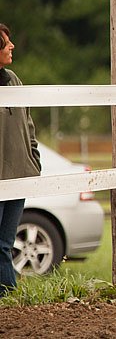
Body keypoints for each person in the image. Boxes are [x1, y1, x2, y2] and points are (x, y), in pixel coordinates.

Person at [0, 23, 41, 295]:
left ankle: (8, 296)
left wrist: (34, 158)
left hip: (19, 176)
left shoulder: (14, 80)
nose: (11, 46)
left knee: (5, 241)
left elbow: (28, 124)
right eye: (5, 43)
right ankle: (9, 295)